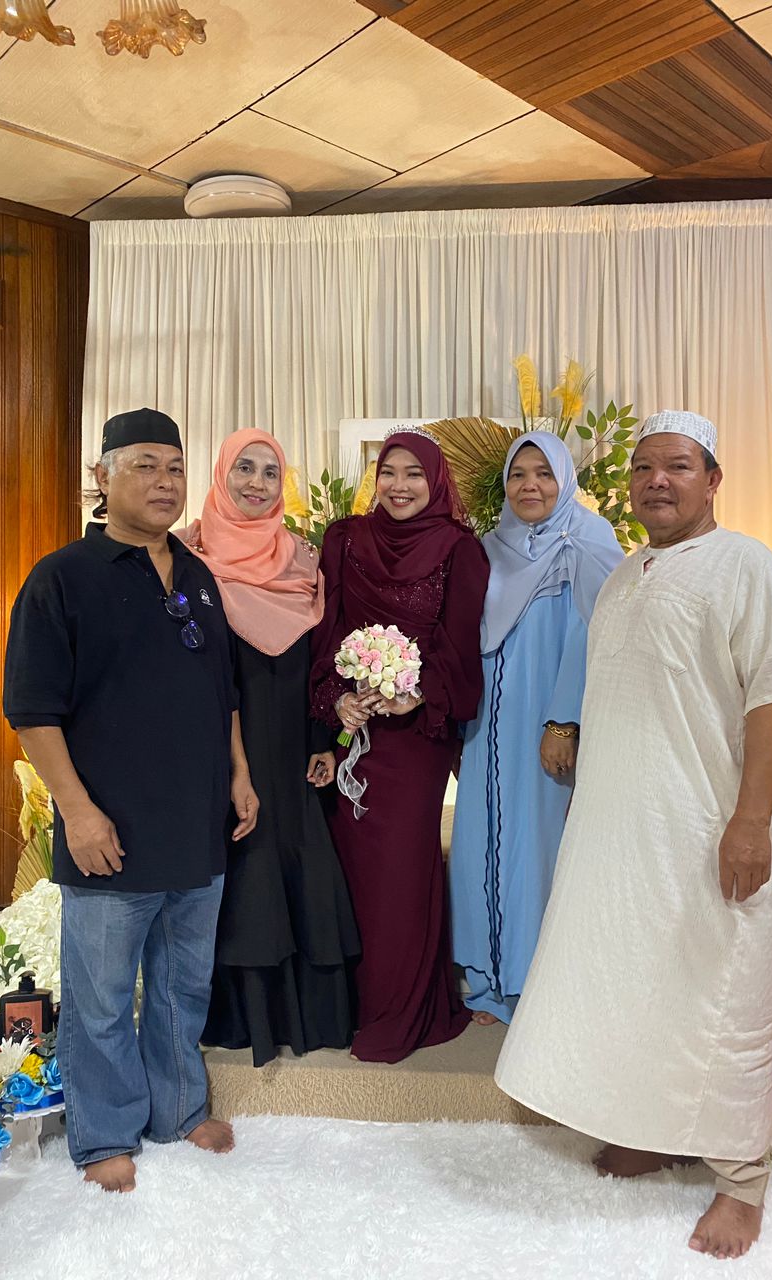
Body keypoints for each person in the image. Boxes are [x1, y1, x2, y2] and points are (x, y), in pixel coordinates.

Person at [495, 410, 772, 1260]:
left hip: (710, 829)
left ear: (712, 480)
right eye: (644, 468)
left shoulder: (748, 566)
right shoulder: (627, 573)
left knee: (723, 996)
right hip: (625, 834)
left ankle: (741, 1181)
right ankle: (654, 1130)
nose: (657, 481)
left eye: (677, 466)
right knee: (639, 987)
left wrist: (749, 821)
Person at [2, 408, 259, 1194]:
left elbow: (225, 692)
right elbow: (32, 711)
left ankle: (179, 1111)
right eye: (145, 465)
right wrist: (77, 812)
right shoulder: (62, 578)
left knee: (183, 987)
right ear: (102, 476)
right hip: (108, 830)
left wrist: (239, 774)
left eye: (175, 467)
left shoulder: (198, 575)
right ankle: (106, 1133)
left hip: (197, 825)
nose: (164, 481)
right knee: (103, 998)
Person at [310, 429, 489, 1063]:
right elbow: (325, 631)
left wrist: (416, 693)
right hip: (353, 729)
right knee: (349, 866)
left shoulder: (460, 550)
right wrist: (338, 697)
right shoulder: (344, 540)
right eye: (390, 472)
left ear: (435, 481)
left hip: (415, 739)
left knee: (401, 869)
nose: (400, 485)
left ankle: (403, 1008)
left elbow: (460, 648)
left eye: (415, 473)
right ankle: (352, 1005)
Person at [180, 429, 359, 1065]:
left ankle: (308, 1015)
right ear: (222, 474)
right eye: (245, 468)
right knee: (245, 862)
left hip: (292, 745)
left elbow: (320, 663)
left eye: (270, 472)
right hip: (224, 744)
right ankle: (242, 1015)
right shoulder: (188, 560)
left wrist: (325, 740)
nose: (256, 483)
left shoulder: (301, 561)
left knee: (297, 856)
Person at [449, 432, 622, 1025]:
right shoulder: (489, 547)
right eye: (519, 474)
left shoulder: (588, 542)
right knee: (480, 843)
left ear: (565, 480)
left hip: (546, 718)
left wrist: (564, 721)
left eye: (544, 474)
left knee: (536, 846)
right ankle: (487, 978)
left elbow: (592, 636)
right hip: (486, 723)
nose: (530, 486)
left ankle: (535, 982)